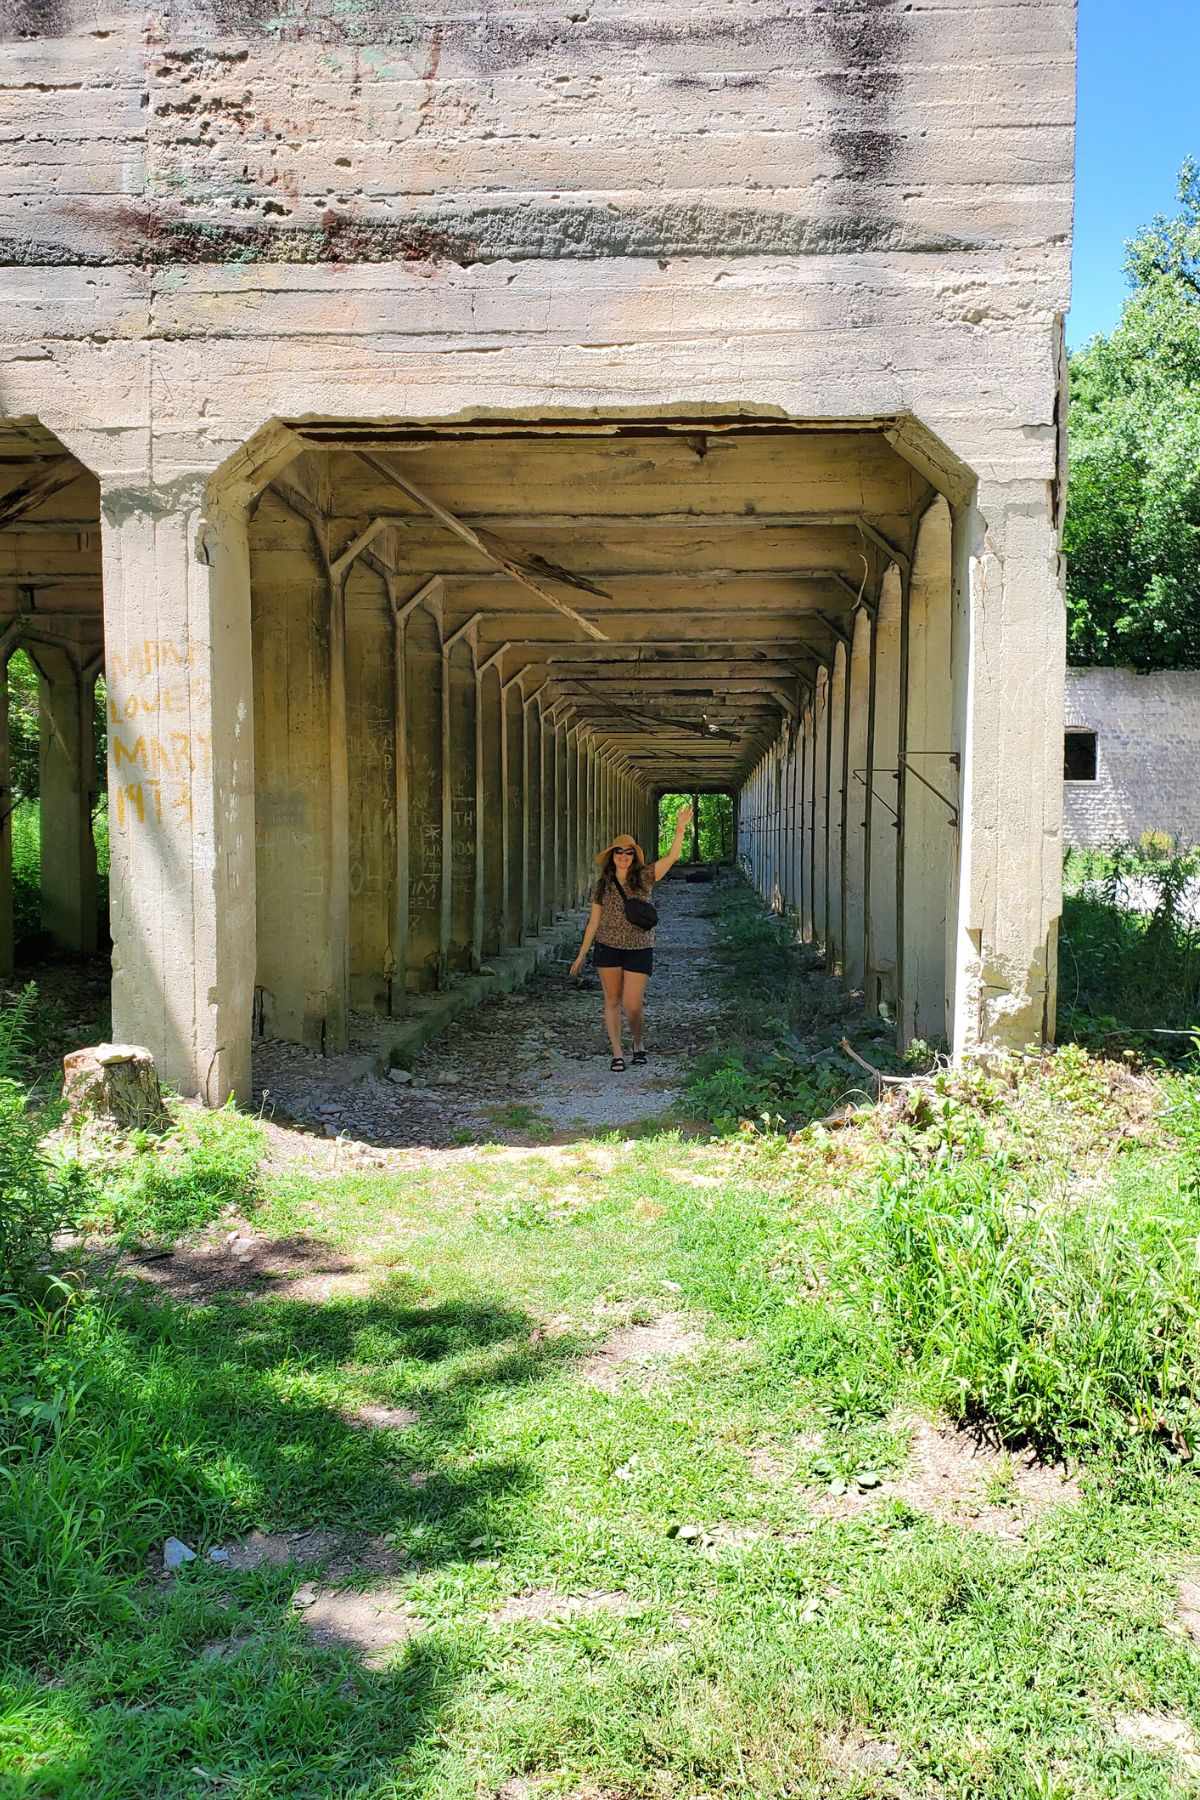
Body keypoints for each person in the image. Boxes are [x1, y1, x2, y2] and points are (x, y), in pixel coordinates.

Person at [569, 804, 694, 1071]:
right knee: (612, 1000)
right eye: (619, 852)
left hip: (639, 946)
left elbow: (672, 857)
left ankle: (638, 1041)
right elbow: (593, 922)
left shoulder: (645, 877)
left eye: (628, 852)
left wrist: (680, 827)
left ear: (633, 856)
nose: (623, 856)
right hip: (607, 947)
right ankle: (617, 1052)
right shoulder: (601, 885)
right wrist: (582, 954)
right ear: (612, 855)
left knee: (633, 1004)